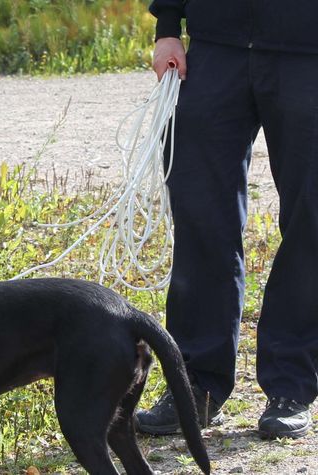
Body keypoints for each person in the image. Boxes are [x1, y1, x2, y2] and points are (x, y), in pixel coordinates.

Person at [135, 1, 318, 439]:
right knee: (201, 216)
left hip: (309, 53)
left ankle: (291, 385)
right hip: (215, 48)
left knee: (312, 220)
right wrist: (167, 26)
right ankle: (196, 383)